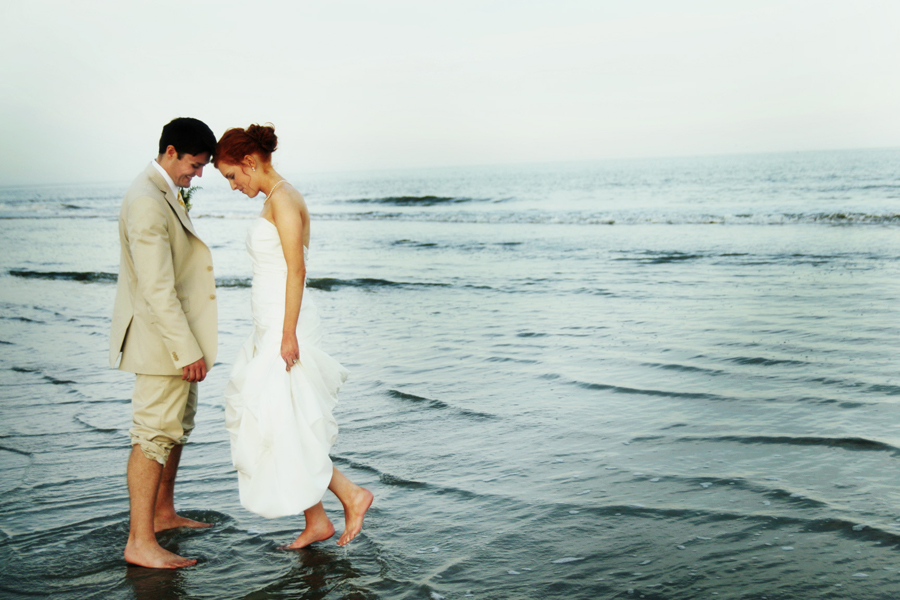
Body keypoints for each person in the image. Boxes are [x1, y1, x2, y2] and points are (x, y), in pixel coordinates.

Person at [215, 124, 373, 548]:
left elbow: (296, 270)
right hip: (271, 323)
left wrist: (287, 335)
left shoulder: (284, 200)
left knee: (282, 420)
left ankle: (352, 495)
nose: (233, 186)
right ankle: (318, 519)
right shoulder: (276, 198)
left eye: (232, 176)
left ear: (249, 162)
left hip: (287, 326)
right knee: (281, 421)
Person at [109, 117, 219, 569]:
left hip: (176, 339)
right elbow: (156, 288)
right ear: (170, 151)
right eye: (194, 166)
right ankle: (140, 541)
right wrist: (185, 348)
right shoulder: (145, 200)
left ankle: (162, 512)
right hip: (162, 344)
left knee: (175, 429)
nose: (196, 175)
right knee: (153, 434)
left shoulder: (162, 193)